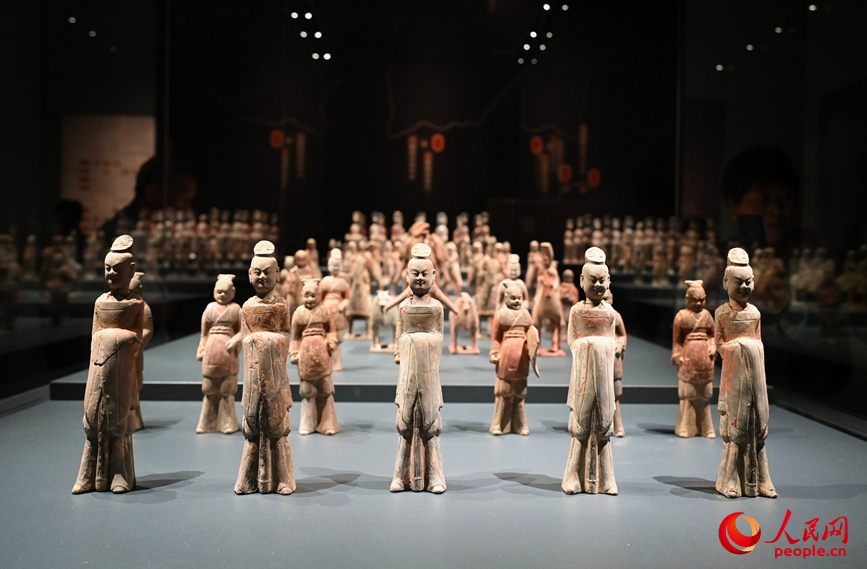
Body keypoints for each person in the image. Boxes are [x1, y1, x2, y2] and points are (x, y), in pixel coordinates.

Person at [72, 235, 143, 494]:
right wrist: (104, 343)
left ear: (131, 271)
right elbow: (95, 334)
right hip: (99, 366)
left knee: (119, 421)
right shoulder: (100, 302)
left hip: (121, 368)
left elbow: (137, 337)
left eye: (117, 269)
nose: (111, 273)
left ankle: (119, 475)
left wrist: (117, 339)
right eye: (107, 268)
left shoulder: (135, 303)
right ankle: (89, 475)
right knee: (94, 419)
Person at [230, 240, 295, 495]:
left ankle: (282, 479)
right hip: (254, 375)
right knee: (252, 426)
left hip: (274, 375)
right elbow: (245, 337)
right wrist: (254, 341)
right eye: (257, 272)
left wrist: (266, 340)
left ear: (277, 274)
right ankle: (248, 480)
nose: (261, 277)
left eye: (267, 272)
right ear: (249, 274)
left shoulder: (281, 305)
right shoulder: (246, 307)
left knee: (277, 427)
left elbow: (286, 336)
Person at [715, 248, 776, 499]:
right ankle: (728, 481)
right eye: (739, 282)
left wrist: (751, 349)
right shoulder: (722, 313)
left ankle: (761, 481)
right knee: (736, 429)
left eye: (748, 282)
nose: (744, 287)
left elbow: (758, 341)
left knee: (758, 427)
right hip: (735, 378)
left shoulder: (755, 313)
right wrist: (739, 347)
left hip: (755, 378)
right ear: (726, 282)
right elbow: (719, 344)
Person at [561, 247, 618, 495]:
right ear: (581, 280)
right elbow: (572, 341)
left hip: (603, 376)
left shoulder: (609, 313)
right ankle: (573, 477)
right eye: (592, 280)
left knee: (604, 428)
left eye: (602, 280)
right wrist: (590, 346)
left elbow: (612, 342)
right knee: (581, 427)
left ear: (609, 282)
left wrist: (601, 346)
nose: (597, 285)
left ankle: (607, 479)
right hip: (584, 376)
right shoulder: (576, 311)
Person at [390, 243, 446, 494]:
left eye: (425, 273)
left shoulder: (436, 308)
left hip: (429, 372)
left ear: (434, 276)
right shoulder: (403, 308)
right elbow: (400, 336)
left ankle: (434, 476)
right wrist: (405, 347)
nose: (421, 278)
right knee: (405, 424)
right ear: (407, 276)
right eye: (416, 273)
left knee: (430, 425)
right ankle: (400, 477)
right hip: (408, 372)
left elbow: (439, 336)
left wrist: (422, 342)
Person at [722, 146, 798, 253]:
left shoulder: (808, 259)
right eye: (763, 199)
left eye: (786, 198)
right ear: (733, 205)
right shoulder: (712, 259)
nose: (776, 210)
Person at [289, 278, 340, 435]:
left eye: (313, 295)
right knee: (308, 391)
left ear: (319, 295)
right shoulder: (298, 313)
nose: (310, 299)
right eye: (307, 295)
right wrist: (294, 352)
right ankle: (308, 423)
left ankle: (328, 423)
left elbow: (332, 330)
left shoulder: (325, 311)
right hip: (305, 356)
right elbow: (295, 337)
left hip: (322, 354)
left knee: (325, 390)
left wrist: (331, 341)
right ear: (301, 295)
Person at [489, 282, 539, 435]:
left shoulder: (526, 314)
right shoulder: (500, 315)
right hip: (506, 355)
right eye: (513, 298)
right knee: (503, 392)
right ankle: (497, 425)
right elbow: (496, 338)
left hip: (522, 357)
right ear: (505, 299)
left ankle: (521, 425)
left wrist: (532, 350)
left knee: (519, 393)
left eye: (519, 298)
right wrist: (494, 352)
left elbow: (531, 334)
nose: (517, 301)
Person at [195, 274, 241, 434]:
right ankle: (206, 422)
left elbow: (243, 331)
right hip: (211, 351)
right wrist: (201, 349)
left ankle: (229, 422)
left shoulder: (236, 309)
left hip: (228, 353)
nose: (222, 295)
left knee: (227, 389)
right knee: (208, 389)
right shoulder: (209, 308)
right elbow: (204, 333)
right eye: (219, 291)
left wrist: (235, 339)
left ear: (233, 292)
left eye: (225, 292)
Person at [671, 280, 716, 438]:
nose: (699, 303)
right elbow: (677, 341)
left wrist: (713, 346)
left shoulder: (707, 316)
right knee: (688, 395)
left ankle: (706, 428)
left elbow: (712, 335)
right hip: (688, 360)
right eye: (695, 300)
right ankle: (686, 427)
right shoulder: (681, 316)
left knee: (705, 395)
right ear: (687, 300)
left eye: (702, 300)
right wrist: (677, 355)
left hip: (705, 362)